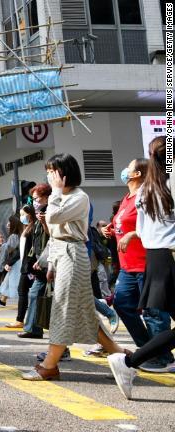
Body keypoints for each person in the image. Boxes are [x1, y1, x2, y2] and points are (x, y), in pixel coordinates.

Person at [21, 153, 126, 381]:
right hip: (62, 254)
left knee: (63, 310)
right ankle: (125, 359)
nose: (49, 175)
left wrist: (56, 191)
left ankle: (49, 365)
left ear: (65, 173)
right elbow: (54, 234)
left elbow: (55, 217)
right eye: (47, 171)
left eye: (52, 171)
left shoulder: (79, 197)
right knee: (86, 314)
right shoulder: (62, 196)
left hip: (74, 256)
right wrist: (50, 263)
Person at [108, 136, 175, 398]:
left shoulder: (147, 190)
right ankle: (129, 362)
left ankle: (129, 362)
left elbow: (144, 232)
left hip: (156, 259)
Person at [18, 183, 52, 339]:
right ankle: (33, 328)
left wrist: (44, 221)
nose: (34, 202)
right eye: (33, 199)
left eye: (36, 198)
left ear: (46, 197)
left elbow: (53, 237)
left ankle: (106, 311)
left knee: (78, 299)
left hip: (51, 263)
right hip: (42, 263)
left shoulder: (52, 212)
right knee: (34, 293)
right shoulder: (39, 216)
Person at [7, 205, 37, 329]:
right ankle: (27, 321)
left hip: (31, 267)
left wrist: (31, 265)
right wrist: (10, 262)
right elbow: (21, 250)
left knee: (23, 292)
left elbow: (34, 249)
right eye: (20, 214)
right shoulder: (26, 229)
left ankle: (21, 320)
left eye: (23, 214)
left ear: (30, 214)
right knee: (28, 293)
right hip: (27, 267)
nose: (21, 217)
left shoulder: (34, 228)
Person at [0, 215, 23, 306]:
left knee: (15, 282)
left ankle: (23, 302)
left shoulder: (13, 236)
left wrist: (2, 248)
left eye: (9, 222)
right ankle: (3, 300)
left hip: (15, 262)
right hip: (15, 261)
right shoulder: (16, 235)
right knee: (8, 281)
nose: (7, 224)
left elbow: (11, 250)